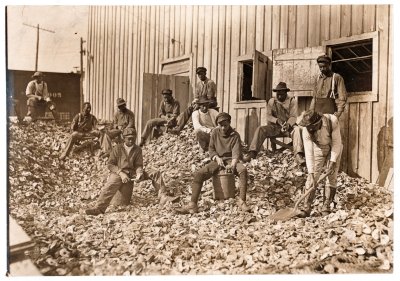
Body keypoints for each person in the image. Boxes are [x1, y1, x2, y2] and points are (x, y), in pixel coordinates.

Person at [85, 128, 178, 216]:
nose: (131, 141)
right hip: (119, 173)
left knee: (155, 173)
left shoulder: (137, 149)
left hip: (132, 172)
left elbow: (138, 165)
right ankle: (99, 208)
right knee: (109, 186)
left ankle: (163, 197)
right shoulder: (117, 148)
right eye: (129, 139)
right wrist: (121, 173)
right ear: (124, 138)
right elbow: (110, 165)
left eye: (133, 139)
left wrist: (139, 173)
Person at [177, 112, 250, 214]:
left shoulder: (235, 135)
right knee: (199, 174)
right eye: (221, 125)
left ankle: (242, 201)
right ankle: (192, 204)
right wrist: (216, 157)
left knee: (243, 170)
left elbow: (236, 153)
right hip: (218, 160)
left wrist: (232, 165)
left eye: (225, 125)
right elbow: (211, 149)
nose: (223, 128)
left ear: (229, 123)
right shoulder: (215, 133)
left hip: (230, 159)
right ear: (217, 125)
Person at [243, 82, 304, 164]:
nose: (279, 96)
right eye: (278, 94)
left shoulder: (292, 101)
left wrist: (288, 124)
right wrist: (277, 120)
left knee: (297, 130)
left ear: (286, 93)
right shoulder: (272, 101)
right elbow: (268, 116)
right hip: (275, 127)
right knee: (260, 129)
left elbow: (293, 116)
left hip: (288, 128)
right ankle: (252, 152)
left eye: (282, 94)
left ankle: (298, 154)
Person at [297, 110, 343, 217]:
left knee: (332, 176)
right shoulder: (306, 130)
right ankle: (306, 207)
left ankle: (326, 205)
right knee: (311, 179)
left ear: (318, 122)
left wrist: (332, 162)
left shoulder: (332, 121)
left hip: (334, 146)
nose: (309, 129)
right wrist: (312, 174)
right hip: (318, 147)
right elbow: (309, 153)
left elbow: (336, 143)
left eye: (311, 126)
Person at [169, 67, 217, 134]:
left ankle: (197, 125)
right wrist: (194, 101)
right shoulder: (198, 84)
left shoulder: (210, 83)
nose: (200, 76)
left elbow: (210, 97)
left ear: (205, 73)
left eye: (201, 74)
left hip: (210, 102)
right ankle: (178, 128)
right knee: (190, 108)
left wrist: (199, 103)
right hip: (201, 102)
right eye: (198, 74)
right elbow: (196, 96)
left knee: (196, 107)